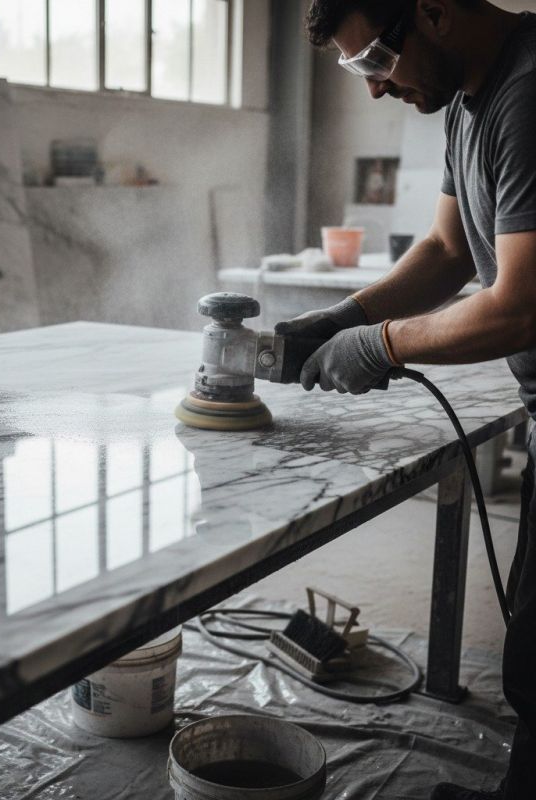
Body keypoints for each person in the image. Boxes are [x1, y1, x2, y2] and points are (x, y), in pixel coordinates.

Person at [277, 2, 536, 798]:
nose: (376, 90)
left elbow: (522, 304)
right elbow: (448, 250)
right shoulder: (469, 100)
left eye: (378, 61)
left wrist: (382, 345)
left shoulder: (529, 98)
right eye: (361, 71)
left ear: (433, 12)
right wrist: (346, 315)